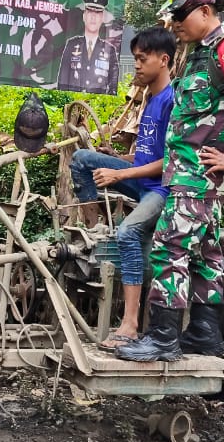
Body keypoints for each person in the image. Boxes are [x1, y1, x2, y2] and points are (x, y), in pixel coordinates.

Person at [117, 0, 224, 363]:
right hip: (193, 177)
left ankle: (163, 339)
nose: (176, 23)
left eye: (182, 15)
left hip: (196, 178)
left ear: (205, 11)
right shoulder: (201, 54)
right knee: (204, 254)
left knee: (169, 247)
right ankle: (204, 332)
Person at [67, 27, 178, 350]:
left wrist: (119, 174)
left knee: (129, 233)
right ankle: (94, 231)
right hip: (140, 180)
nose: (137, 65)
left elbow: (170, 161)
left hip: (161, 190)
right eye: (136, 59)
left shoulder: (172, 101)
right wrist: (118, 159)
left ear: (164, 60)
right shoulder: (151, 99)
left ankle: (130, 325)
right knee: (83, 159)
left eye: (143, 59)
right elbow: (146, 155)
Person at [57, 0, 120, 94]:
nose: (93, 17)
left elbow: (113, 86)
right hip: (73, 100)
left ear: (102, 18)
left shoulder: (110, 50)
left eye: (98, 12)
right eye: (90, 11)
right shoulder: (71, 45)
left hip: (97, 102)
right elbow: (62, 81)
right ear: (84, 16)